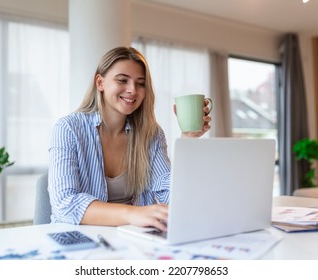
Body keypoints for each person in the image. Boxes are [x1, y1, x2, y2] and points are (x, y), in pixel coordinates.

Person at [48, 47, 211, 231]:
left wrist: (188, 141)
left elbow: (171, 194)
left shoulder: (151, 134)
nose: (133, 90)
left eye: (140, 83)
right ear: (100, 83)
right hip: (79, 239)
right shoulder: (68, 129)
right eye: (122, 80)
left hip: (134, 238)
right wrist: (133, 214)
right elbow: (65, 204)